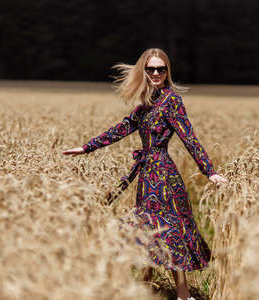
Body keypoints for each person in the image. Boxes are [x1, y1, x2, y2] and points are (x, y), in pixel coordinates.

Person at [63, 48, 228, 300]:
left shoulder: (172, 101)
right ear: (144, 71)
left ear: (167, 71)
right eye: (150, 69)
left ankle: (182, 295)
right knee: (146, 232)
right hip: (146, 177)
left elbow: (189, 138)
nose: (155, 73)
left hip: (164, 178)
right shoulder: (146, 103)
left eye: (161, 69)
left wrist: (210, 172)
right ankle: (146, 288)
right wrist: (87, 147)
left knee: (170, 232)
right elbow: (124, 126)